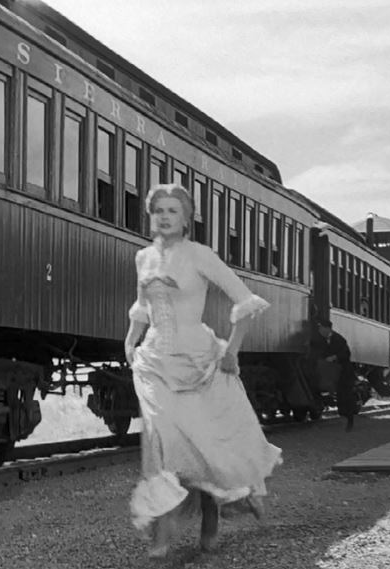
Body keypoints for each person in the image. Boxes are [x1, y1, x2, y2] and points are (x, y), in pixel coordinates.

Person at [124, 183, 281, 558]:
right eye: (158, 210)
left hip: (199, 360)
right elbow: (143, 306)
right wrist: (130, 341)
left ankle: (210, 517)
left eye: (172, 211)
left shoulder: (200, 255)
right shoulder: (143, 257)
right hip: (155, 361)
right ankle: (163, 529)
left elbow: (245, 301)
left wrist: (233, 352)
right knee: (162, 444)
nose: (164, 217)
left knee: (203, 445)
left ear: (186, 219)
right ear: (150, 216)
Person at [309, 317, 359, 431]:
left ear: (328, 329)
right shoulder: (319, 339)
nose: (320, 331)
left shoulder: (339, 339)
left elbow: (346, 354)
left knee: (345, 395)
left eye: (322, 329)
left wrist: (335, 357)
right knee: (337, 394)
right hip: (330, 372)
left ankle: (348, 419)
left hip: (343, 371)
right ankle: (343, 418)